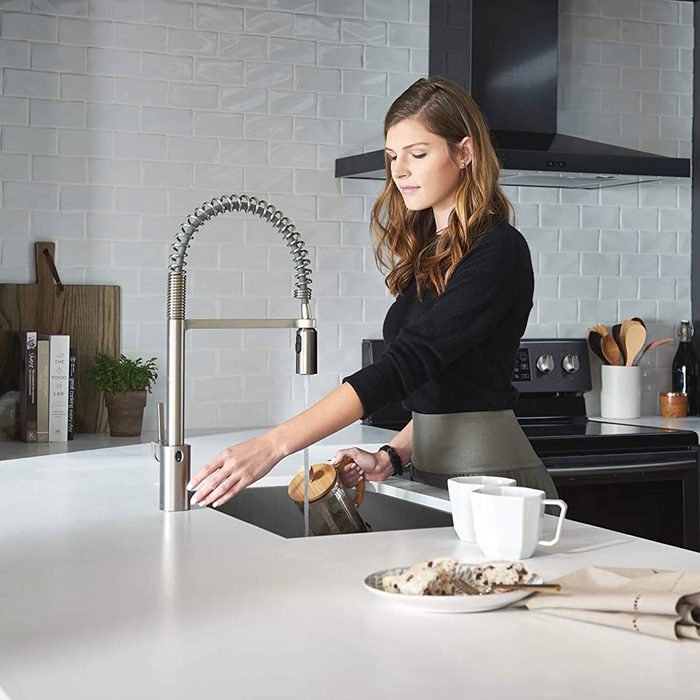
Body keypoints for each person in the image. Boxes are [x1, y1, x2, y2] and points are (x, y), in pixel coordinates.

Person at [188, 76, 557, 509]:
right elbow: (446, 383)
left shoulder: (498, 250)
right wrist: (393, 455)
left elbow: (408, 363)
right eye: (392, 157)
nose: (399, 170)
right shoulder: (432, 256)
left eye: (417, 154)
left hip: (493, 481)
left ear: (465, 152)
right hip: (430, 472)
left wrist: (273, 445)